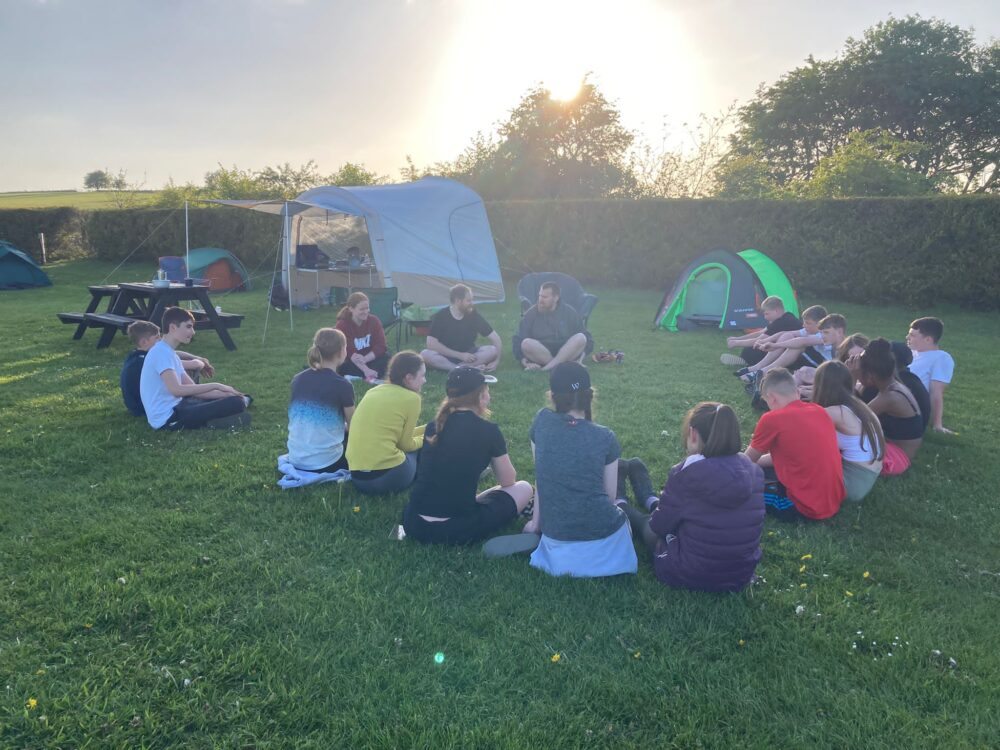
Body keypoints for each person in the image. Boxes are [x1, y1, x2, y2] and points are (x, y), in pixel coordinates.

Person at [620, 402, 764, 592]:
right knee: (680, 514)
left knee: (649, 525)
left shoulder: (688, 473)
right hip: (741, 573)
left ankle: (620, 501)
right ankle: (649, 499)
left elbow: (659, 526)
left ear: (693, 434)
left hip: (689, 572)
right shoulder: (754, 471)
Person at [523, 362, 638, 577]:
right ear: (590, 396)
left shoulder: (542, 422)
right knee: (621, 505)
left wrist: (534, 524)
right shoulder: (606, 437)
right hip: (607, 545)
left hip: (557, 548)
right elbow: (610, 496)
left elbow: (543, 476)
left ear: (553, 396)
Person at [402, 367, 534, 544]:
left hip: (414, 523)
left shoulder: (433, 426)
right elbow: (508, 481)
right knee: (524, 487)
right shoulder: (489, 431)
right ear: (481, 396)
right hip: (455, 528)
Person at [744, 368, 845, 520]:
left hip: (804, 507)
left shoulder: (772, 418)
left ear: (771, 398)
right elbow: (793, 455)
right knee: (761, 471)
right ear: (797, 392)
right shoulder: (819, 411)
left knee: (742, 488)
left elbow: (745, 462)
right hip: (834, 500)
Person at [138, 307, 250, 430]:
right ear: (173, 327)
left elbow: (195, 391)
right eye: (188, 327)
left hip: (180, 406)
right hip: (168, 418)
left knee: (234, 399)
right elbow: (176, 390)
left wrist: (226, 394)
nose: (193, 332)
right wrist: (217, 385)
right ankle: (218, 421)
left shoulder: (169, 353)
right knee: (236, 403)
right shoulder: (160, 353)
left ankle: (224, 414)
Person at [346, 351, 426, 495]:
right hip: (390, 478)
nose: (424, 380)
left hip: (358, 478)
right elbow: (406, 445)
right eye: (422, 376)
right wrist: (427, 438)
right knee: (421, 448)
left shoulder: (373, 391)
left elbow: (396, 437)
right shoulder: (412, 398)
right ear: (408, 378)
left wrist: (427, 428)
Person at [812, 360, 885, 502]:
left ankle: (758, 462)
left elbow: (795, 426)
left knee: (799, 448)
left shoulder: (836, 412)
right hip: (867, 477)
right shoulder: (860, 406)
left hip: (850, 484)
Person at [286, 328, 355, 473]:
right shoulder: (343, 385)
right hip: (327, 463)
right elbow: (354, 427)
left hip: (295, 458)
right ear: (342, 351)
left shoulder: (298, 379)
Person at [120, 320, 215, 417]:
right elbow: (193, 365)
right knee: (185, 370)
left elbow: (174, 353)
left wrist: (196, 357)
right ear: (144, 342)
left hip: (137, 404)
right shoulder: (147, 360)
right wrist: (201, 363)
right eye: (157, 337)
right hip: (144, 407)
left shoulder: (136, 355)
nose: (161, 340)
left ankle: (194, 395)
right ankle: (194, 395)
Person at [858, 338, 923, 475]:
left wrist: (851, 378)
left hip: (896, 460)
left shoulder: (889, 397)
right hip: (897, 452)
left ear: (869, 375)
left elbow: (854, 420)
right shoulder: (895, 386)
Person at [420, 284, 501, 372]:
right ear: (458, 301)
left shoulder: (472, 314)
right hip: (446, 355)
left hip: (470, 355)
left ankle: (459, 368)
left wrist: (496, 361)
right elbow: (431, 343)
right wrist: (459, 355)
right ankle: (461, 368)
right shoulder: (441, 316)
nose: (471, 303)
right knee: (425, 354)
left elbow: (495, 338)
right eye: (468, 300)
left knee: (492, 350)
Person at [514, 282, 591, 372]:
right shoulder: (532, 313)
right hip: (541, 352)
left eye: (545, 297)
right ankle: (562, 366)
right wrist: (524, 361)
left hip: (565, 351)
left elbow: (588, 339)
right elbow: (518, 339)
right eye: (540, 296)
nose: (540, 300)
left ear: (556, 298)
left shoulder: (569, 312)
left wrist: (581, 358)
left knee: (581, 337)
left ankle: (546, 369)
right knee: (526, 343)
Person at [906, 317, 956, 434]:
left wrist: (937, 425)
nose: (907, 338)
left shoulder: (940, 358)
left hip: (911, 405)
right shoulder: (911, 353)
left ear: (928, 339)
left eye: (912, 335)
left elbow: (936, 392)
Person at [722, 295, 801, 367]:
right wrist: (737, 338)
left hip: (797, 355)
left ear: (776, 311)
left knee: (752, 350)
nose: (765, 317)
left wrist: (736, 343)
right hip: (788, 349)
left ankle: (747, 362)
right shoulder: (786, 316)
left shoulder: (781, 322)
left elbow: (760, 340)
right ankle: (747, 361)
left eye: (767, 314)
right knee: (751, 348)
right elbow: (761, 332)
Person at [335, 292, 389, 380]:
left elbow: (381, 345)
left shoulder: (374, 321)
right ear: (351, 309)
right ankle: (367, 374)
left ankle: (360, 376)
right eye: (362, 309)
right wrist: (366, 369)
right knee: (343, 366)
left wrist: (365, 359)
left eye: (367, 308)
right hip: (352, 361)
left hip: (369, 357)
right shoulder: (342, 325)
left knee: (386, 358)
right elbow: (349, 352)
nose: (365, 312)